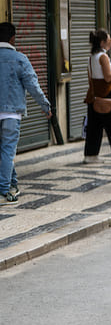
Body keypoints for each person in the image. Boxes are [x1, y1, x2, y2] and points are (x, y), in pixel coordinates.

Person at [0, 22, 51, 202]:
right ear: (13, 38)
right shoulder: (20, 59)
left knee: (4, 151)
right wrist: (45, 106)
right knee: (7, 150)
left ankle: (13, 183)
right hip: (12, 113)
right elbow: (33, 86)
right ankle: (3, 191)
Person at [83, 29, 111, 164]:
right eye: (109, 40)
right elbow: (108, 77)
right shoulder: (103, 57)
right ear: (102, 43)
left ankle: (90, 155)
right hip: (107, 96)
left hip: (94, 97)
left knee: (94, 128)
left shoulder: (91, 57)